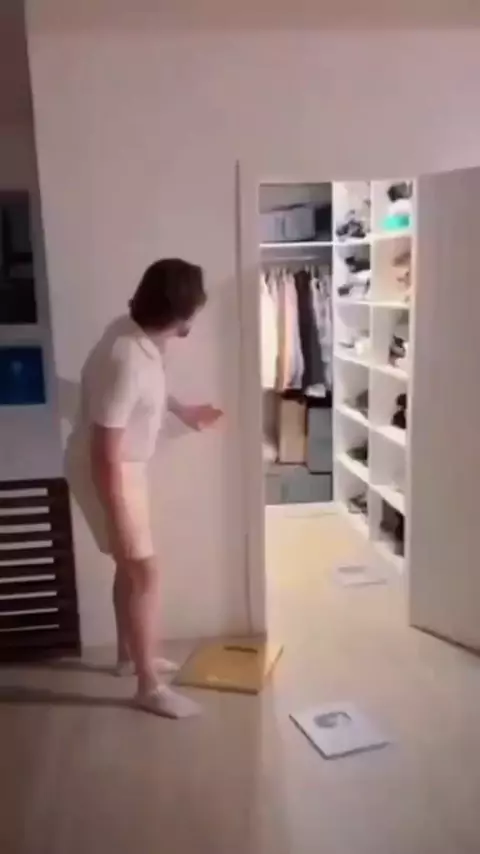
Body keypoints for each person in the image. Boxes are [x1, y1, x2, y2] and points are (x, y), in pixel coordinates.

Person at [66, 259, 222, 718]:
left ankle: (128, 657)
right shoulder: (125, 358)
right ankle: (148, 687)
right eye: (193, 312)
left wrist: (182, 410)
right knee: (144, 573)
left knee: (130, 566)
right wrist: (116, 513)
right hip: (108, 470)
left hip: (125, 466)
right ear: (179, 315)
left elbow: (148, 387)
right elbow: (103, 452)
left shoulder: (135, 334)